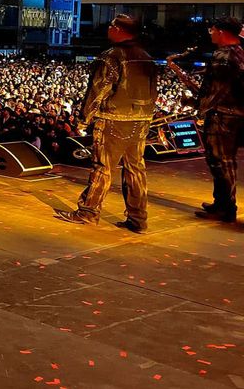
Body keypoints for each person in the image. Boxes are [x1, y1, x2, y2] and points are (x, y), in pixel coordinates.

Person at [57, 14, 158, 232]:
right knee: (136, 169)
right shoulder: (147, 57)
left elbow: (98, 90)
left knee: (103, 168)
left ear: (120, 30)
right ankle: (138, 219)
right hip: (141, 121)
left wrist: (84, 119)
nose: (108, 28)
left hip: (113, 120)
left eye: (112, 25)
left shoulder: (111, 56)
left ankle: (88, 212)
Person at [169, 16, 244, 222]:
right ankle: (221, 202)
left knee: (221, 162)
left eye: (212, 29)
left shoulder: (223, 58)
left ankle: (226, 208)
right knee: (225, 162)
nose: (210, 33)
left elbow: (214, 93)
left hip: (222, 117)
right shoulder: (239, 52)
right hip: (233, 115)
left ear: (221, 31)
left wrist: (193, 103)